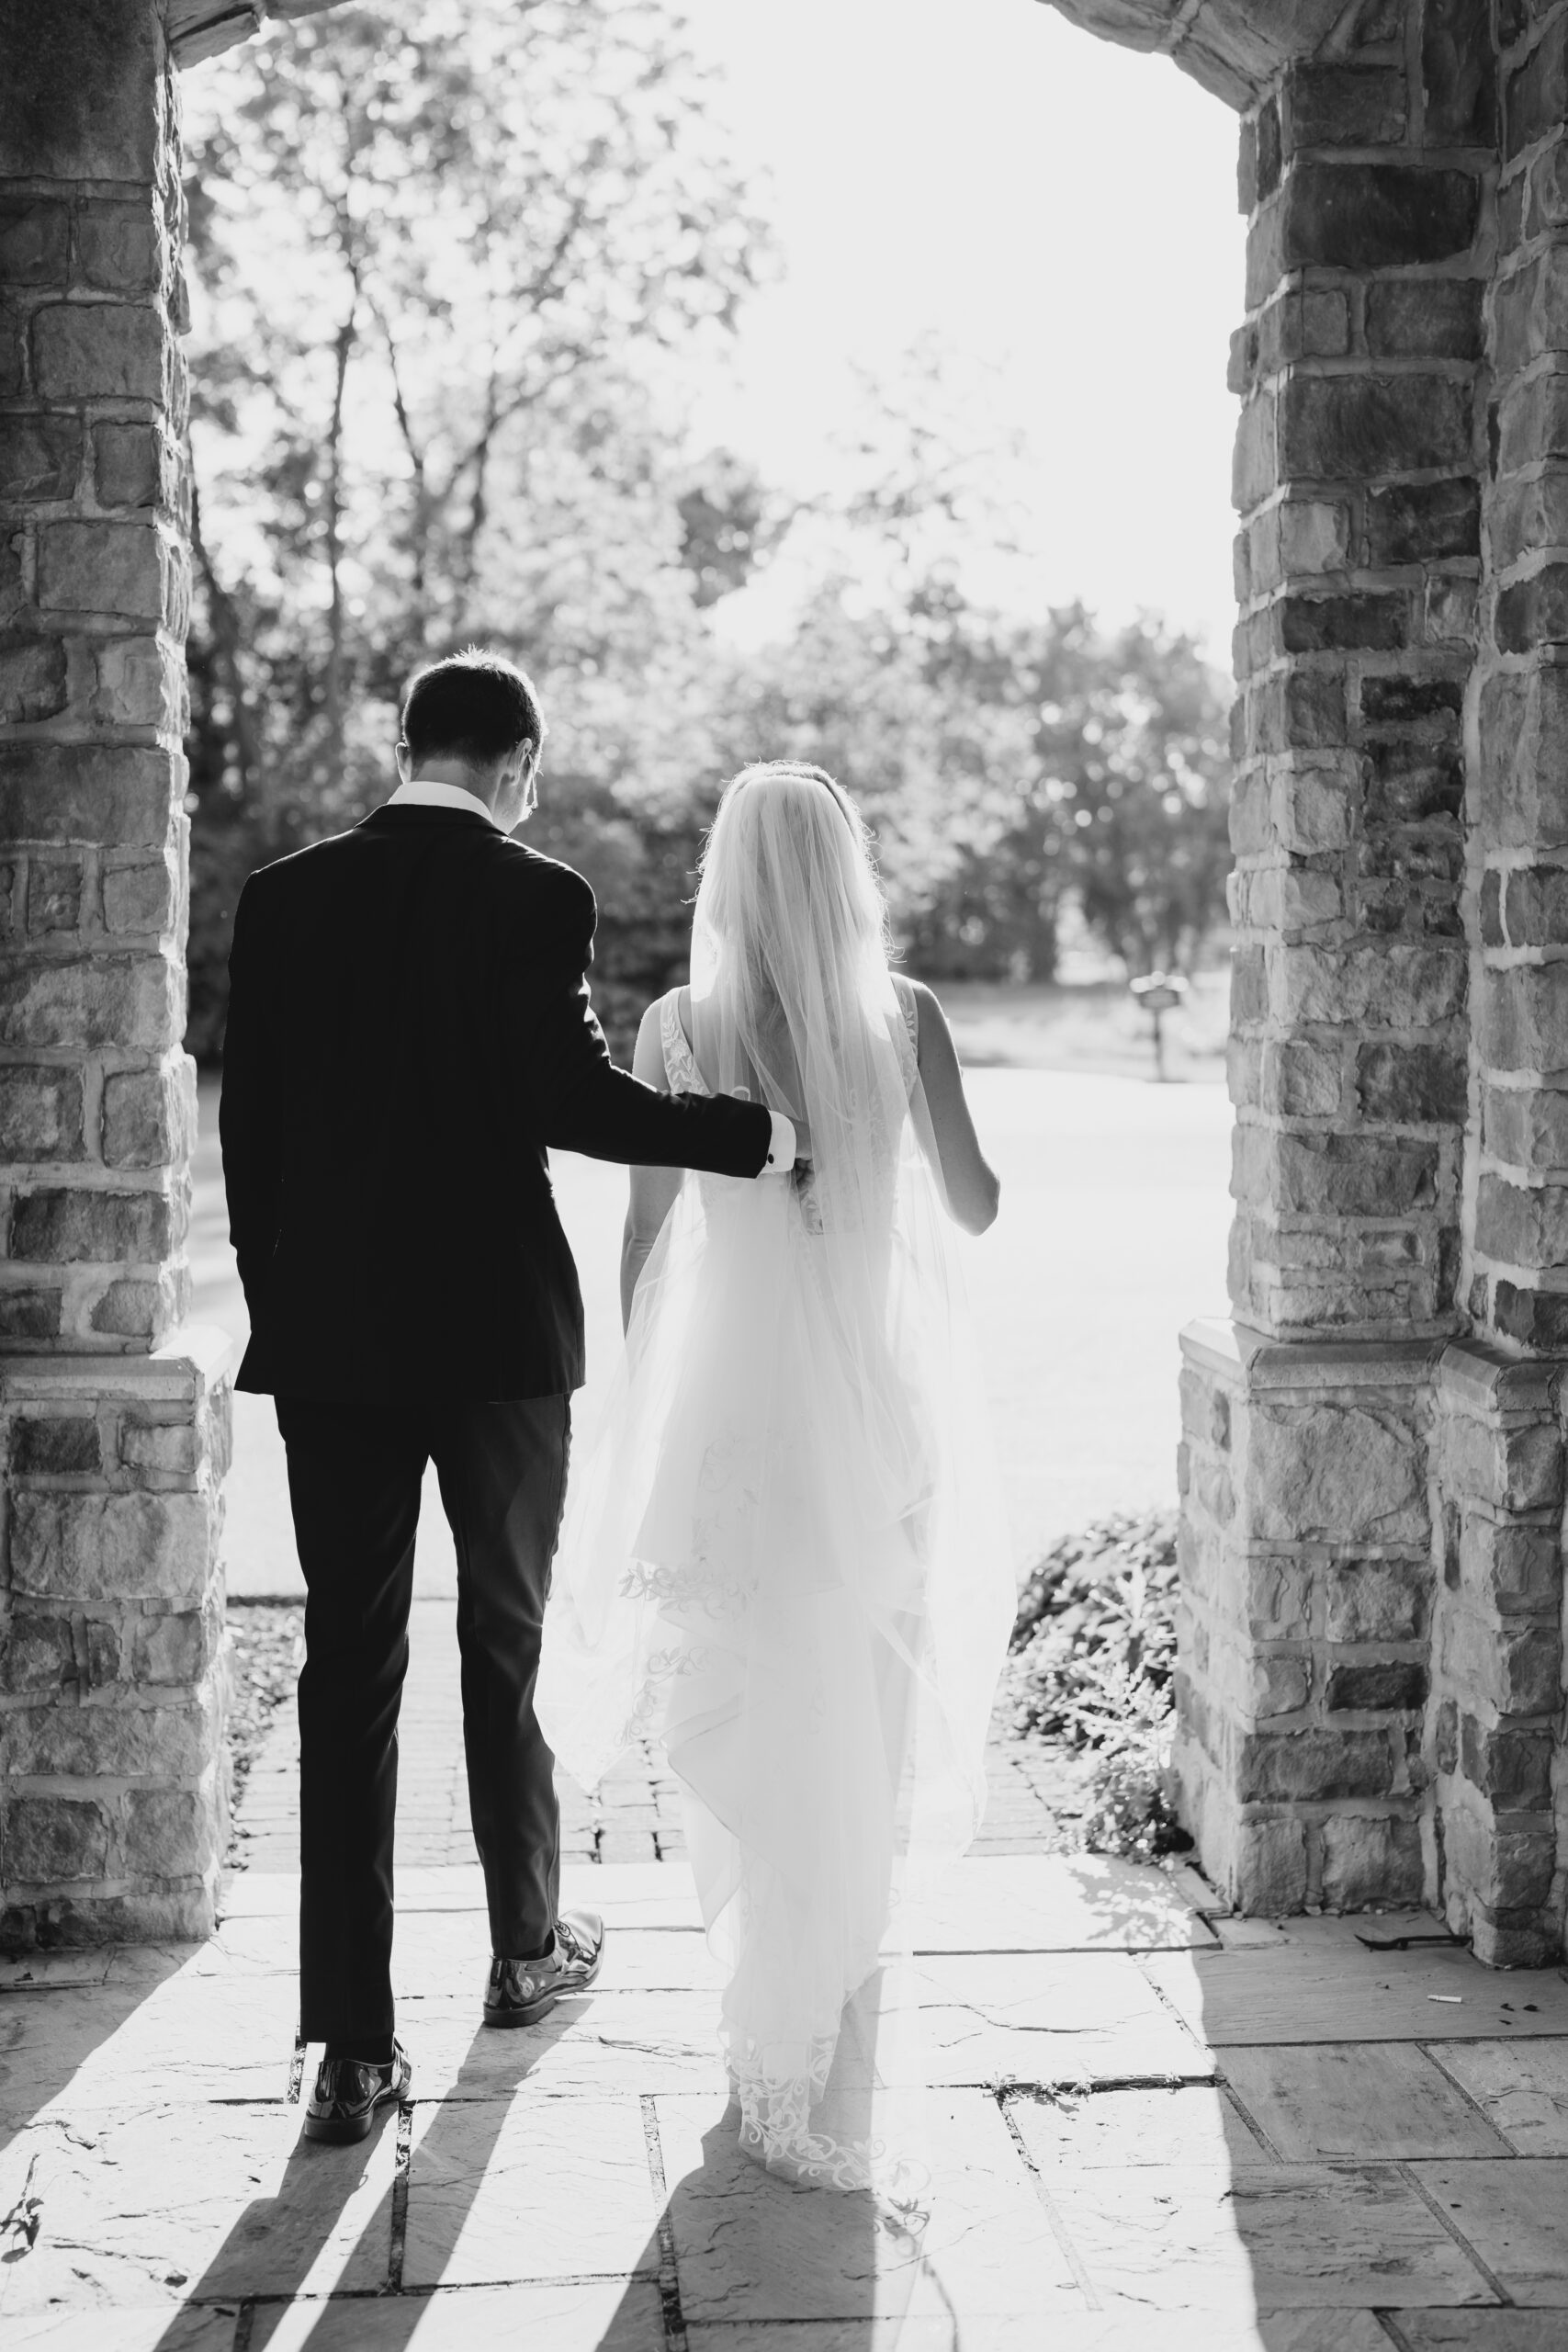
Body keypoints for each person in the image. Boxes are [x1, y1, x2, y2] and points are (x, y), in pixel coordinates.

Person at [220, 650, 804, 2145]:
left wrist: (284, 1305)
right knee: (506, 1638)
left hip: (331, 1343)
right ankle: (525, 1949)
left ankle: (350, 2048)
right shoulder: (537, 898)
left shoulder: (281, 897)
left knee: (344, 1675)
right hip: (495, 1338)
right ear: (521, 767)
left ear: (402, 743)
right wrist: (751, 1139)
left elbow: (253, 1133)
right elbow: (571, 1098)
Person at [537, 759, 1014, 2193]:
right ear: (850, 870)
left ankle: (772, 2016)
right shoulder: (907, 1018)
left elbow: (646, 1240)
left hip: (743, 1428)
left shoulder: (682, 1025)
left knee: (762, 1715)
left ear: (728, 879)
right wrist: (896, 1148)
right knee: (861, 1702)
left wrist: (651, 1401)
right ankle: (843, 2013)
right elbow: (978, 1209)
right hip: (883, 1410)